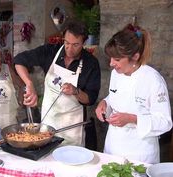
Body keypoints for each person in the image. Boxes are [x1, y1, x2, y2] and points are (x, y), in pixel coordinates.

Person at [14, 20, 101, 147]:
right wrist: (29, 84)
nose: (70, 49)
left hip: (72, 126)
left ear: (84, 42)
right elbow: (19, 61)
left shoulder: (90, 63)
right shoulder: (50, 51)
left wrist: (76, 91)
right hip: (48, 123)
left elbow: (90, 99)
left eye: (76, 45)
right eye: (67, 43)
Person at [95, 23, 172, 163]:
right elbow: (115, 96)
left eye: (117, 59)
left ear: (135, 57)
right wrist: (105, 102)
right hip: (113, 148)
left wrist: (133, 119)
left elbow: (165, 122)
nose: (111, 63)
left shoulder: (153, 80)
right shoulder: (116, 74)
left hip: (140, 153)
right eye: (111, 58)